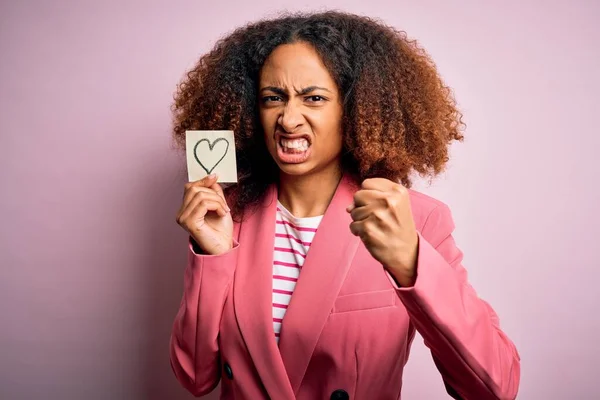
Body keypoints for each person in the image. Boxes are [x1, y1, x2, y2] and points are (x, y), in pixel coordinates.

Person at [169, 11, 520, 400]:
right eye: (273, 98)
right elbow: (195, 378)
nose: (287, 118)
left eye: (314, 98)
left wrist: (411, 261)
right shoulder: (226, 214)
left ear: (355, 110)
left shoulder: (415, 219)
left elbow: (495, 388)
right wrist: (210, 256)